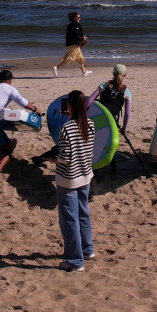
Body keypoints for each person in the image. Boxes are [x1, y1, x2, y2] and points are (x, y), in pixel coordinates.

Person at [55, 90, 95, 272]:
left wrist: (53, 160)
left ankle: (74, 260)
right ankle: (87, 250)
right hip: (85, 174)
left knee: (70, 218)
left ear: (69, 106)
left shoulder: (66, 128)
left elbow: (65, 157)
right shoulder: (90, 125)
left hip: (68, 178)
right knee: (83, 213)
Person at [86, 64, 132, 175]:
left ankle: (95, 176)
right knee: (111, 145)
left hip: (99, 118)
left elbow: (89, 101)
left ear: (113, 73)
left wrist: (84, 115)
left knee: (96, 144)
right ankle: (113, 172)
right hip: (113, 121)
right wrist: (124, 128)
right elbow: (127, 114)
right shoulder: (126, 92)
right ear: (125, 75)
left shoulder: (104, 85)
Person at [54, 11, 92, 78]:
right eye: (78, 17)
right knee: (70, 59)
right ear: (75, 18)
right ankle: (56, 68)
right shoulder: (74, 26)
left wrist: (81, 38)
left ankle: (84, 72)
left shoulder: (71, 25)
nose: (80, 18)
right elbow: (75, 36)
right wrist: (82, 38)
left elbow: (74, 35)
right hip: (73, 45)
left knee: (80, 58)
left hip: (74, 45)